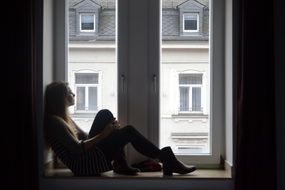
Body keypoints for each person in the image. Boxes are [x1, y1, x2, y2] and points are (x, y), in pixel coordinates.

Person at [44, 81, 196, 176]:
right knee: (128, 131)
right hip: (85, 166)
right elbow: (78, 148)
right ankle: (166, 158)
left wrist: (111, 130)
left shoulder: (64, 118)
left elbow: (84, 136)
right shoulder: (55, 122)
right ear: (61, 97)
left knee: (105, 114)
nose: (73, 94)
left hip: (87, 159)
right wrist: (105, 134)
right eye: (69, 92)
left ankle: (122, 164)